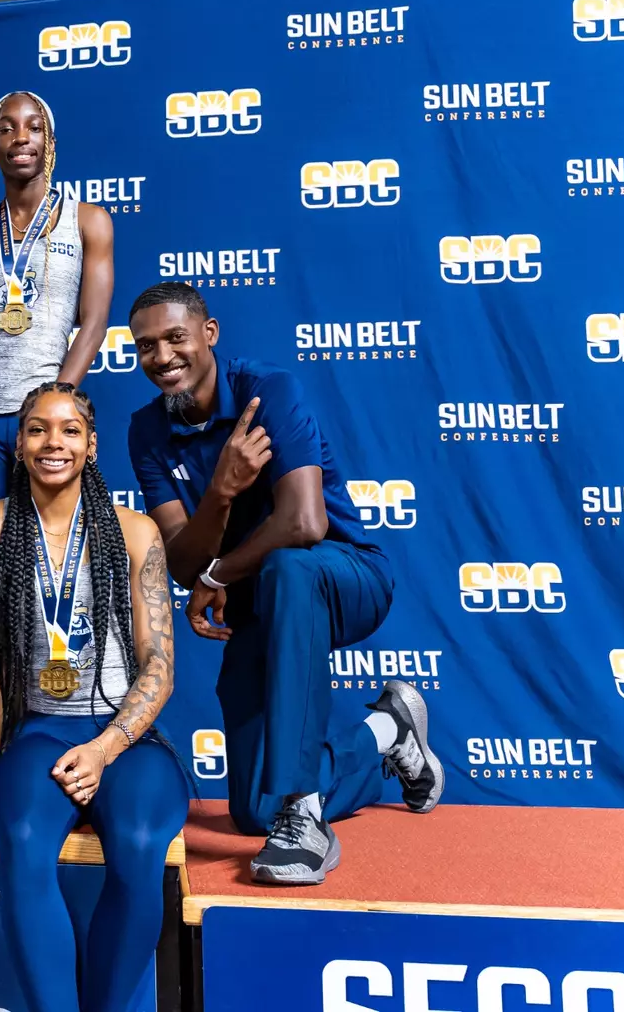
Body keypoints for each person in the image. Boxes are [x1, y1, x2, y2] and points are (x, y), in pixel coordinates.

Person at [124, 282, 442, 886]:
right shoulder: (147, 431)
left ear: (208, 335)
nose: (161, 357)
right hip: (258, 600)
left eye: (175, 338)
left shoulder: (268, 390)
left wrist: (219, 571)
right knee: (249, 810)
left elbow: (304, 522)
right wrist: (221, 488)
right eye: (145, 347)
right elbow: (182, 562)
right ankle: (387, 730)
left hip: (345, 575)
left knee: (289, 565)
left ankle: (304, 817)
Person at [0, 382, 185, 1012]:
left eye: (68, 430)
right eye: (36, 429)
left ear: (90, 445)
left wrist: (105, 749)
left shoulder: (135, 531)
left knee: (140, 847)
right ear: (19, 444)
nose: (51, 442)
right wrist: (0, 757)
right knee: (25, 841)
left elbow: (159, 667)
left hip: (125, 736)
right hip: (38, 731)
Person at [0, 91, 116, 516]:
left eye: (35, 127)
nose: (21, 137)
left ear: (50, 142)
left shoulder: (88, 221)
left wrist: (56, 399)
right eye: (7, 128)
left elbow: (93, 324)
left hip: (46, 414)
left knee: (48, 546)